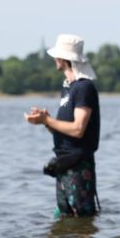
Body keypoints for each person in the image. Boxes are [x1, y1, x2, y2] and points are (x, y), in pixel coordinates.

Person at [25, 34, 101, 218]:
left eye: (56, 56)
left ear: (63, 59)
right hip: (64, 164)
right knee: (65, 220)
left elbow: (77, 129)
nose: (54, 60)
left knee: (82, 220)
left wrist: (47, 121)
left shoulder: (84, 88)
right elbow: (64, 128)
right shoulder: (68, 88)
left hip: (79, 165)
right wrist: (45, 120)